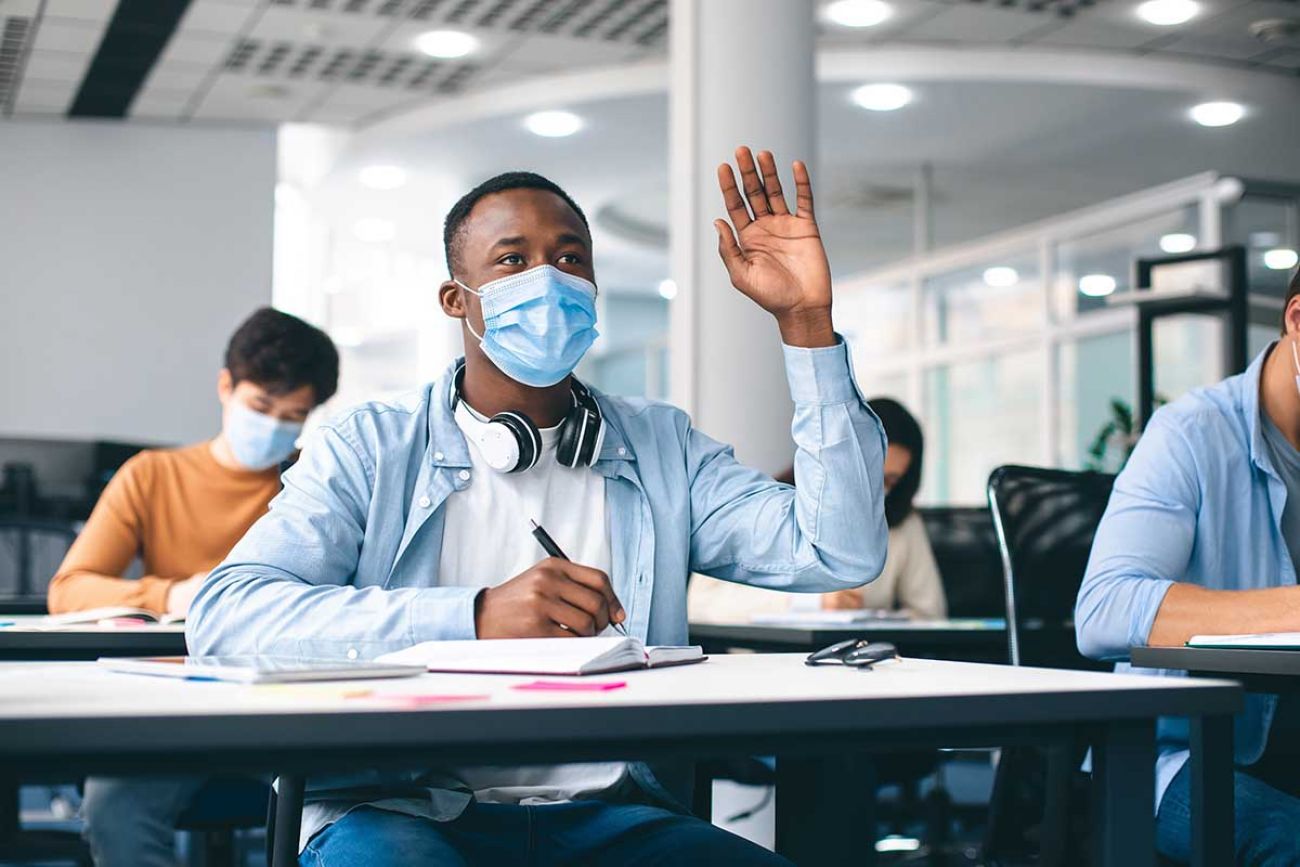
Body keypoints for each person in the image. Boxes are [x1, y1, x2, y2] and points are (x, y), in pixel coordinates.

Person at [188, 147, 889, 866]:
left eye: (570, 257)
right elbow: (227, 617)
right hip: (401, 812)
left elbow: (839, 550)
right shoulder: (369, 444)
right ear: (456, 298)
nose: (548, 278)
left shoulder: (662, 446)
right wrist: (473, 617)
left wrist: (808, 324)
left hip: (615, 817)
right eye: (512, 260)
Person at [53, 307, 339, 867]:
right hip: (179, 706)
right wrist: (173, 595)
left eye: (293, 415)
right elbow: (69, 590)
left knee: (366, 808)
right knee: (114, 807)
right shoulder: (151, 475)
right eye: (261, 407)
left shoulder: (318, 483)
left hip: (291, 705)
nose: (275, 426)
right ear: (225, 386)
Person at [1076, 268, 1300, 864]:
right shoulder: (1193, 432)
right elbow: (1103, 610)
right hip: (1179, 755)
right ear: (1298, 321)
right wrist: (1289, 609)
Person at [690, 396, 945, 620]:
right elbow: (700, 605)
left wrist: (875, 619)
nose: (874, 492)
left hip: (860, 664)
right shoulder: (766, 504)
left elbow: (929, 613)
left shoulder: (903, 523)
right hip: (767, 664)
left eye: (888, 481)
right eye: (867, 474)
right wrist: (809, 603)